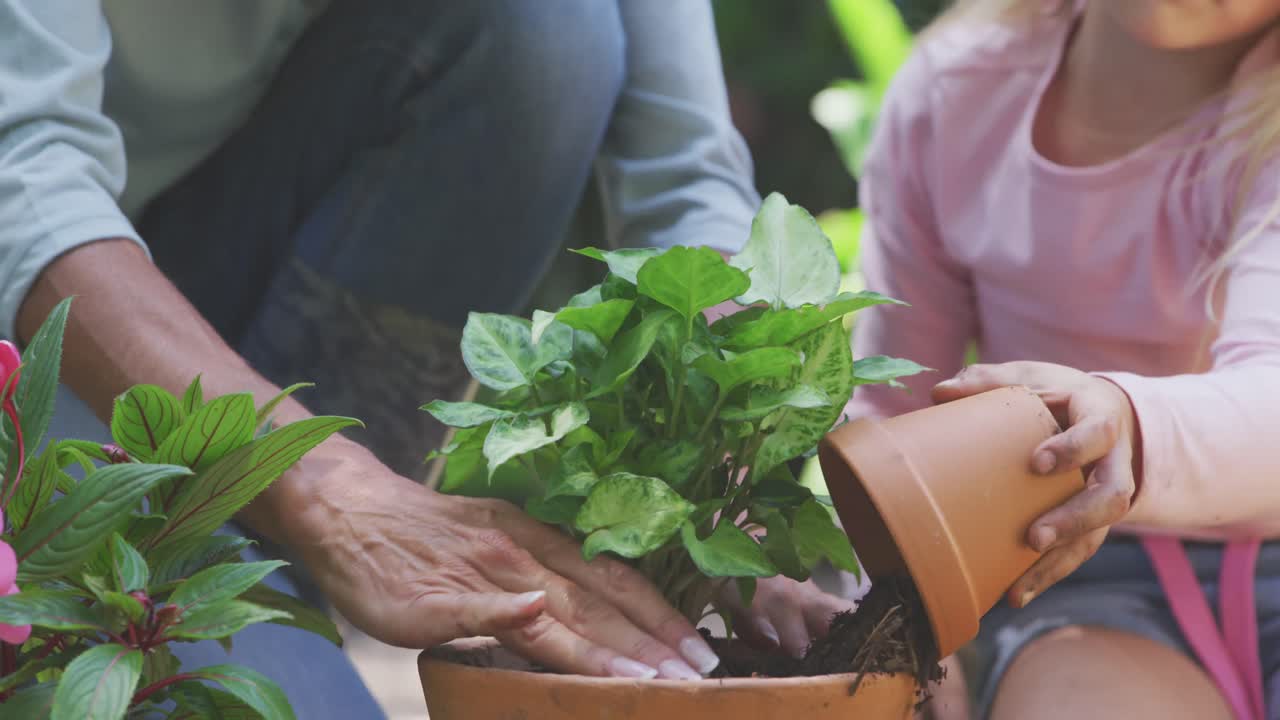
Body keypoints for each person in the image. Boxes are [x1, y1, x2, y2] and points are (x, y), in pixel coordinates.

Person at [2, 1, 855, 716]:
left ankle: (267, 570)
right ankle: (240, 560)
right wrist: (329, 487)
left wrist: (733, 473)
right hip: (36, 348)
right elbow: (22, 175)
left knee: (547, 31)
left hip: (231, 314)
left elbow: (682, 173)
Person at [846, 0, 1280, 718]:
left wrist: (1129, 427)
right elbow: (895, 416)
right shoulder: (960, 91)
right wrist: (909, 629)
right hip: (1072, 578)